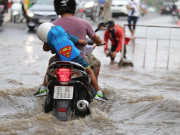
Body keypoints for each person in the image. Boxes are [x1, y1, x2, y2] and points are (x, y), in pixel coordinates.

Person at [34, 0, 108, 101]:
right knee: (97, 63)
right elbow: (96, 40)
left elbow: (46, 48)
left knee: (51, 63)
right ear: (73, 7)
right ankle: (92, 91)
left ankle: (44, 88)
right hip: (80, 59)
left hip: (59, 61)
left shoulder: (52, 26)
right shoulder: (84, 22)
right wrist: (99, 43)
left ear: (56, 8)